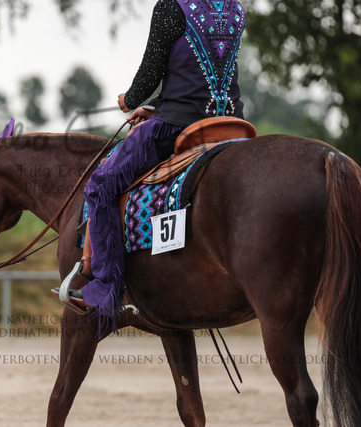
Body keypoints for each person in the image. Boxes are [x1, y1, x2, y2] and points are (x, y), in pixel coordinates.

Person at [65, 0, 246, 322]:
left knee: (101, 184)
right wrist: (155, 105)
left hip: (177, 126)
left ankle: (107, 287)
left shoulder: (171, 6)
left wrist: (131, 99)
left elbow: (150, 73)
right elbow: (201, 77)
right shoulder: (234, 8)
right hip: (231, 124)